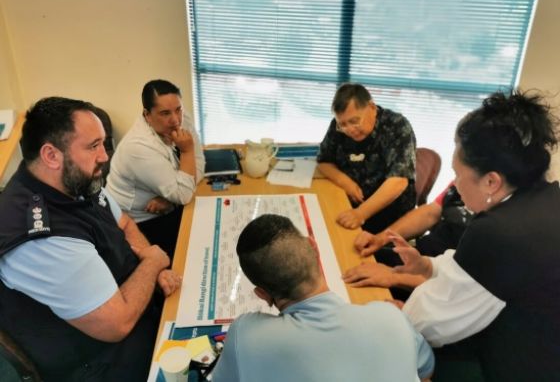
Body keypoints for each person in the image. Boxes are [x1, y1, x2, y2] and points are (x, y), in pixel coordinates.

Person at [0, 97, 182, 381]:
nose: (105, 156)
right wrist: (153, 264)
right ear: (51, 155)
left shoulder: (73, 179)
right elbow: (117, 324)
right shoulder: (39, 237)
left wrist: (152, 267)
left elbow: (124, 223)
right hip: (99, 360)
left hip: (132, 305)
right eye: (93, 146)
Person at [390, 89, 560, 380]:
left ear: (491, 181)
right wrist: (428, 266)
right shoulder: (545, 197)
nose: (454, 184)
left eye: (458, 174)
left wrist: (393, 317)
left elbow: (431, 322)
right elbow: (481, 272)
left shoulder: (499, 231)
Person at [212, 214, 434, 382]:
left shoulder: (247, 334)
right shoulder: (391, 317)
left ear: (262, 295)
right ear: (314, 248)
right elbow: (426, 370)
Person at [106, 79, 205, 259]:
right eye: (165, 113)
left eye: (178, 109)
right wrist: (187, 151)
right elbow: (184, 193)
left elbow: (199, 165)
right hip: (139, 224)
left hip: (169, 207)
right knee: (198, 247)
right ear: (147, 115)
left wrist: (173, 199)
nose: (175, 120)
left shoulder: (181, 118)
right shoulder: (138, 147)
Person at [317, 83, 417, 234]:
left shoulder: (397, 126)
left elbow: (398, 181)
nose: (349, 129)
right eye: (343, 124)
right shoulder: (338, 126)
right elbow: (324, 161)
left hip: (389, 214)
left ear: (371, 107)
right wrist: (346, 182)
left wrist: (361, 213)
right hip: (349, 202)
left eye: (354, 121)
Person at [343, 182, 472, 290]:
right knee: (349, 259)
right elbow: (431, 213)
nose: (456, 179)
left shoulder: (488, 230)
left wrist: (395, 277)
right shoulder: (467, 180)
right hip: (417, 259)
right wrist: (381, 238)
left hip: (430, 291)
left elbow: (461, 290)